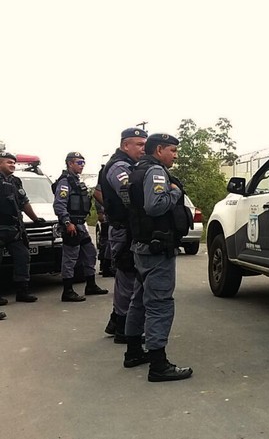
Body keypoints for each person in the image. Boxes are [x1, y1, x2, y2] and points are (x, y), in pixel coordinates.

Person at [124, 133, 193, 381]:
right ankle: (158, 364)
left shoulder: (136, 170)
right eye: (173, 150)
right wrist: (175, 193)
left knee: (140, 299)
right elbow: (155, 206)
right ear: (160, 149)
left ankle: (133, 351)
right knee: (160, 304)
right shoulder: (155, 172)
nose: (175, 155)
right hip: (156, 249)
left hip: (142, 246)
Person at [98, 128, 147, 344]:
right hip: (123, 230)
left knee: (126, 278)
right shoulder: (120, 167)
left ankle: (117, 321)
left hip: (126, 228)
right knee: (128, 276)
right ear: (125, 145)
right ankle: (123, 328)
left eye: (145, 144)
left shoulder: (128, 164)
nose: (143, 149)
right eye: (139, 144)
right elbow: (131, 193)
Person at [53, 151, 108, 302]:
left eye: (83, 163)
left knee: (90, 253)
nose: (82, 166)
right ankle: (67, 291)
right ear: (70, 163)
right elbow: (59, 205)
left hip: (80, 225)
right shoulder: (65, 182)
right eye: (79, 163)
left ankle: (90, 285)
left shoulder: (76, 181)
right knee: (70, 258)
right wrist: (67, 222)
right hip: (71, 225)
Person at [0, 151, 43, 304]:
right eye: (8, 162)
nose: (12, 165)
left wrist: (36, 219)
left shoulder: (16, 181)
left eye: (14, 163)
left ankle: (22, 291)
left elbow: (24, 203)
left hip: (14, 228)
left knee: (23, 257)